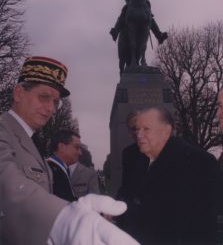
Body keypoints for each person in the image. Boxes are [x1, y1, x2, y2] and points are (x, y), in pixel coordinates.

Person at [0, 55, 140, 245]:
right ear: (18, 93)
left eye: (55, 102)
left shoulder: (32, 140)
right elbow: (5, 180)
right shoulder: (4, 130)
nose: (50, 108)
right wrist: (64, 219)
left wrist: (75, 209)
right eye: (44, 97)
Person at [117, 106, 222, 245]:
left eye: (146, 129)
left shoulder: (199, 162)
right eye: (137, 129)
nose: (139, 135)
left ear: (166, 131)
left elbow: (200, 223)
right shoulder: (135, 160)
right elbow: (126, 195)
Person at [103, 0, 168, 44]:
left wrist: (149, 11)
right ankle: (116, 30)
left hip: (144, 14)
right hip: (129, 11)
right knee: (125, 10)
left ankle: (159, 35)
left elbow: (148, 7)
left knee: (149, 17)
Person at [47, 130, 81, 201]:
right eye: (76, 147)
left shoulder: (54, 168)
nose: (80, 153)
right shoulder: (53, 171)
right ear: (62, 147)